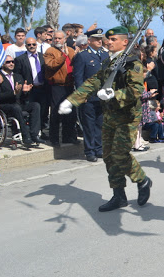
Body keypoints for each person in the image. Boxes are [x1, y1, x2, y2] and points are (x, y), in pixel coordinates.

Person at [60, 26, 152, 211]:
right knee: (109, 157)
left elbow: (136, 90)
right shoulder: (108, 62)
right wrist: (72, 101)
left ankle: (142, 179)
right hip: (110, 115)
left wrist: (114, 94)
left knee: (120, 153)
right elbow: (94, 81)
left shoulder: (132, 63)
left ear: (125, 42)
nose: (108, 42)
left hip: (127, 116)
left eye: (113, 39)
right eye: (107, 39)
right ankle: (119, 196)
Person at [72, 28, 109, 162]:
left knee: (100, 124)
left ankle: (99, 149)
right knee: (88, 125)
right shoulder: (83, 56)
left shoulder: (105, 55)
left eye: (100, 39)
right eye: (96, 39)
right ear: (89, 41)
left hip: (102, 96)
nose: (100, 41)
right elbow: (78, 77)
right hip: (89, 96)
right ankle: (89, 151)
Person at [44, 30, 78, 147]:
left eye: (59, 38)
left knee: (70, 113)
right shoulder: (50, 51)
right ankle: (54, 139)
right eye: (55, 38)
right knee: (56, 113)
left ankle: (68, 136)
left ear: (64, 39)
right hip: (57, 86)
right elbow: (51, 65)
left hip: (69, 86)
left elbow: (76, 64)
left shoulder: (71, 51)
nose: (57, 40)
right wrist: (63, 56)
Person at [0, 56, 41, 146]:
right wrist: (13, 92)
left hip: (18, 104)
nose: (11, 64)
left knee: (35, 105)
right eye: (8, 62)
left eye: (12, 62)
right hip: (5, 106)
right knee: (16, 107)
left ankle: (34, 134)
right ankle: (26, 136)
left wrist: (25, 92)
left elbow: (22, 97)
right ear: (2, 64)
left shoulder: (18, 76)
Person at [14, 37, 49, 136]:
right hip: (29, 90)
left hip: (42, 88)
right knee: (33, 111)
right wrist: (22, 85)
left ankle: (40, 131)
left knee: (43, 111)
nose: (32, 46)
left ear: (36, 45)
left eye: (33, 44)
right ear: (26, 46)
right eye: (29, 45)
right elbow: (17, 75)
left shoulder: (43, 57)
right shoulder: (20, 59)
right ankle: (31, 132)